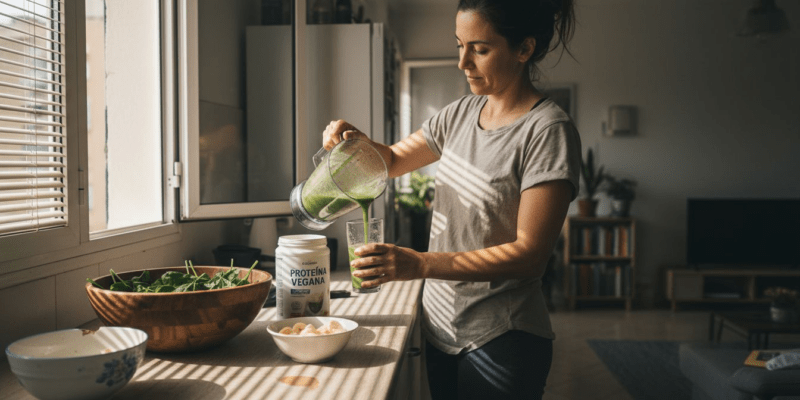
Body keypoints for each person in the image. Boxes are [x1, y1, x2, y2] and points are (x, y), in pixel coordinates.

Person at [321, 0, 579, 398]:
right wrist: (353, 140)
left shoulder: (547, 130)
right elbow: (389, 161)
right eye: (459, 45)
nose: (463, 62)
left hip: (503, 338)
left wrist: (419, 263)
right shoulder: (458, 114)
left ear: (524, 49)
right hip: (440, 327)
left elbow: (531, 254)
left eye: (480, 48)